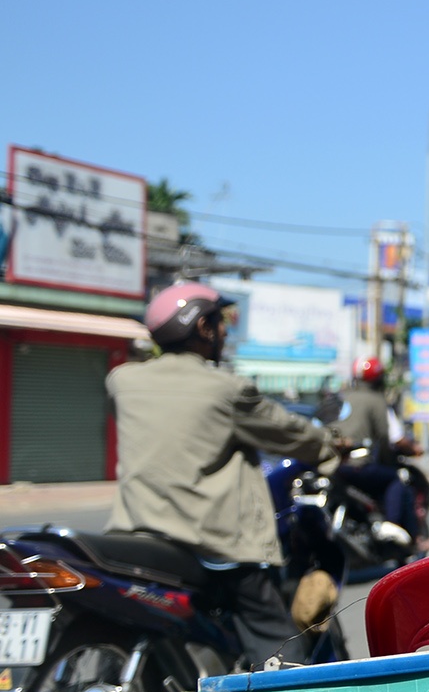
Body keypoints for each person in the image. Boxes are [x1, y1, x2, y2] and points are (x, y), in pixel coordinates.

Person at [107, 283, 339, 667]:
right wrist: (330, 446)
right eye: (222, 321)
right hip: (208, 543)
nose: (227, 331)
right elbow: (289, 432)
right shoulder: (226, 390)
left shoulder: (123, 382)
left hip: (137, 533)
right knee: (274, 633)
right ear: (203, 327)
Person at [331, 356, 420, 542]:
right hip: (358, 464)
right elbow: (383, 437)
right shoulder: (376, 400)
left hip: (332, 464)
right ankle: (391, 526)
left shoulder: (342, 397)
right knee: (394, 479)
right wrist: (388, 461)